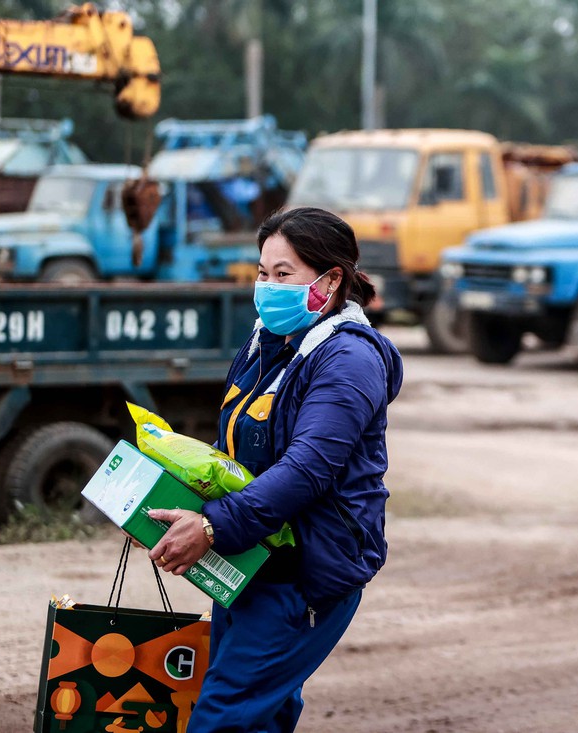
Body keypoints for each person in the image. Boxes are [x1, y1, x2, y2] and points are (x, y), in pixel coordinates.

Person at [146, 206, 403, 732]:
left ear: (331, 280)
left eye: (284, 274)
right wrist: (185, 507)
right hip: (250, 561)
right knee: (260, 717)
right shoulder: (270, 343)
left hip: (301, 575)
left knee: (223, 718)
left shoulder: (348, 360)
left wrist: (215, 526)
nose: (267, 287)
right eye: (263, 273)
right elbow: (235, 450)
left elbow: (308, 469)